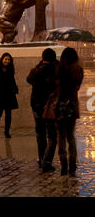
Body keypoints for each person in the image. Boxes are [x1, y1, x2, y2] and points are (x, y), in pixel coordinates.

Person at [27, 48, 59, 172]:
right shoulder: (55, 69)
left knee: (40, 134)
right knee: (52, 136)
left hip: (36, 106)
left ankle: (42, 159)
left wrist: (39, 66)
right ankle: (46, 161)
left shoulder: (37, 70)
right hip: (50, 107)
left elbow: (28, 79)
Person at [55, 47, 83, 177]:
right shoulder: (78, 70)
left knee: (61, 136)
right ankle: (72, 164)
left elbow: (56, 86)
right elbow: (77, 86)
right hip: (72, 104)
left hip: (61, 105)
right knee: (71, 135)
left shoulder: (60, 69)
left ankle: (63, 165)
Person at [0, 52, 18, 139]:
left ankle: (6, 132)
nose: (7, 61)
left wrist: (15, 88)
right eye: (6, 59)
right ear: (2, 59)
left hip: (9, 93)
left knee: (8, 114)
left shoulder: (10, 68)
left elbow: (12, 79)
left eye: (9, 59)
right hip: (0, 94)